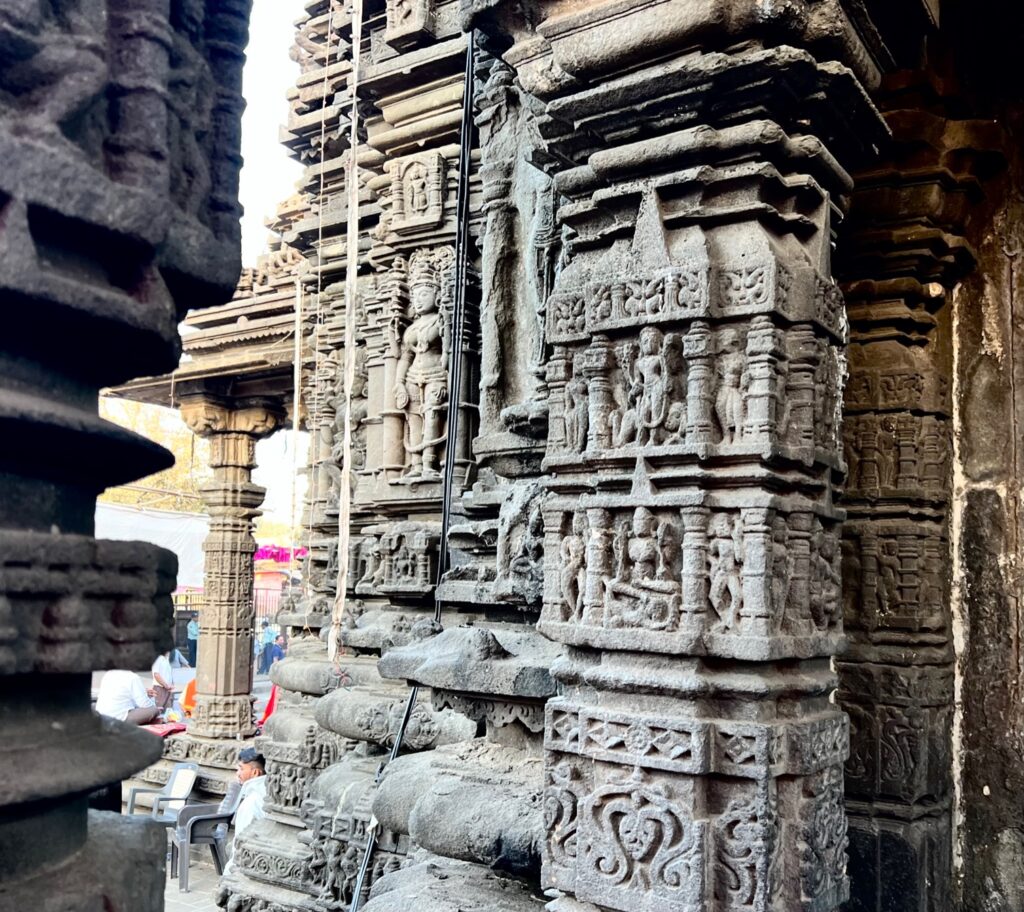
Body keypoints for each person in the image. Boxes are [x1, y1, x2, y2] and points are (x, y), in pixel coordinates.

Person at [95, 670, 159, 725]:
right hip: (119, 718)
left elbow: (121, 695)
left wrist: (143, 693)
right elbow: (145, 704)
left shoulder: (108, 674)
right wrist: (153, 704)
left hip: (102, 716)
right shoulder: (133, 677)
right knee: (154, 710)